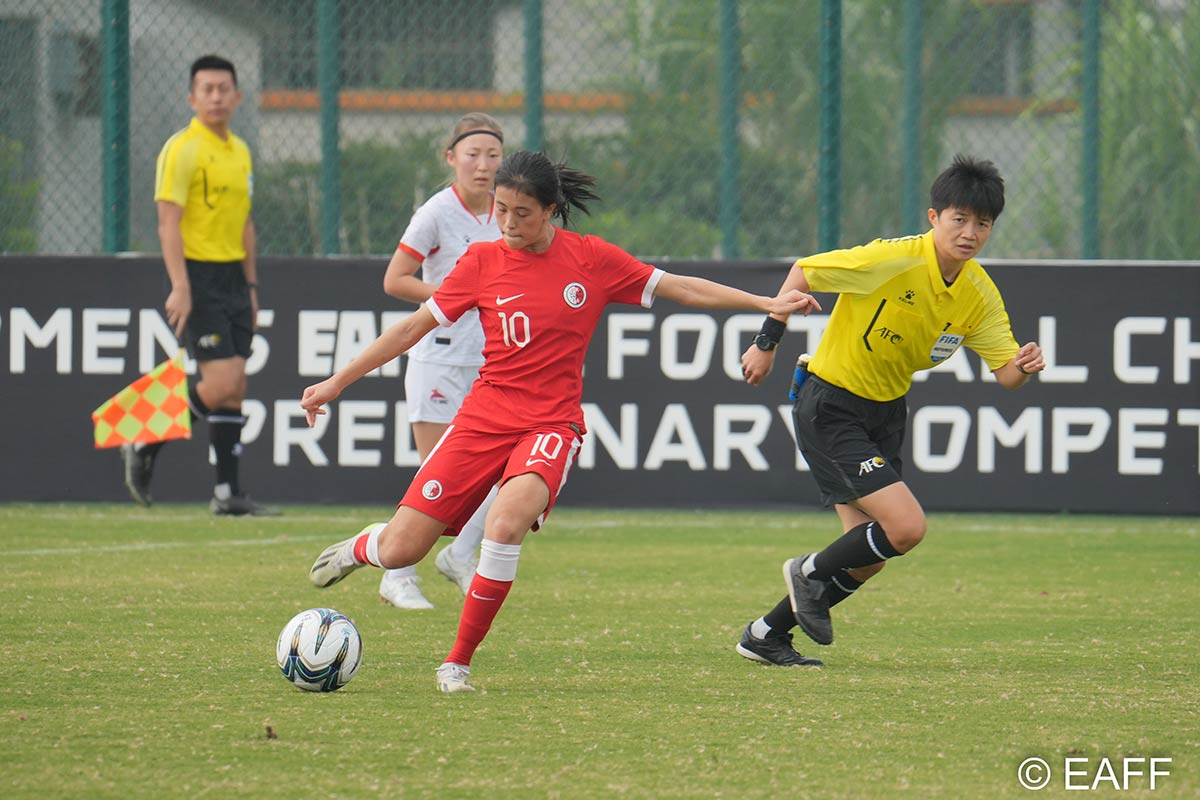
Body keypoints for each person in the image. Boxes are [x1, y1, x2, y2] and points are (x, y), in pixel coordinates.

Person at [301, 150, 821, 693]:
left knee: (505, 526)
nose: (508, 223)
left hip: (550, 425)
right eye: (501, 210)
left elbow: (682, 288)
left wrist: (766, 302)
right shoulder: (481, 261)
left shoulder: (591, 259)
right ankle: (364, 546)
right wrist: (336, 382)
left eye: (522, 213)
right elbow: (412, 329)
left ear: (550, 210)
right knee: (401, 550)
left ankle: (456, 663)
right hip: (482, 419)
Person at [735, 154, 1045, 668]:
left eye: (983, 224)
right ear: (934, 217)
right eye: (959, 219)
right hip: (830, 404)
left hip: (885, 413)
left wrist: (1025, 365)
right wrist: (767, 342)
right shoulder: (893, 259)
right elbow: (804, 272)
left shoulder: (977, 294)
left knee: (867, 555)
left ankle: (765, 635)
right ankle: (807, 571)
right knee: (906, 528)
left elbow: (1007, 374)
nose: (970, 233)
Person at [121, 55, 277, 516]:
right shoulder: (182, 149)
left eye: (223, 88)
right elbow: (167, 222)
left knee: (235, 385)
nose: (216, 97)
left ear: (237, 96)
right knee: (221, 380)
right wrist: (180, 285)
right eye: (206, 89)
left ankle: (228, 494)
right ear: (192, 98)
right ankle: (146, 437)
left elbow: (245, 223)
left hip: (234, 278)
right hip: (198, 274)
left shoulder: (240, 151)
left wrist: (251, 286)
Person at [375, 112, 505, 610]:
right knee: (437, 474)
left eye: (493, 155)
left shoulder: (509, 210)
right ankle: (397, 575)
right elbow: (395, 279)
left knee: (500, 471)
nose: (483, 165)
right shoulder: (435, 212)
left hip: (493, 361)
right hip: (440, 359)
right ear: (451, 158)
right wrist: (456, 296)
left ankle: (459, 555)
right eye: (473, 155)